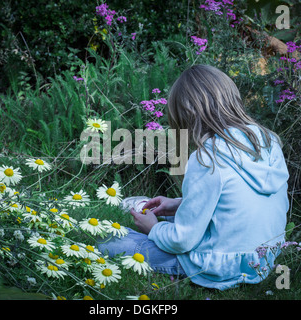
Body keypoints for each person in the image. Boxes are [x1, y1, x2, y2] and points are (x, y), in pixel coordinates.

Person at [97, 64, 290, 290]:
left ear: (186, 116)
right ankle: (155, 212)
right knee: (174, 219)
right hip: (263, 258)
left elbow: (183, 240)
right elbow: (236, 203)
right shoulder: (268, 141)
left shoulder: (207, 158)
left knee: (108, 242)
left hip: (219, 265)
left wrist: (154, 229)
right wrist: (179, 205)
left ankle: (144, 222)